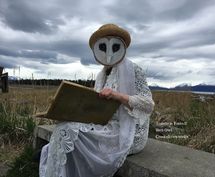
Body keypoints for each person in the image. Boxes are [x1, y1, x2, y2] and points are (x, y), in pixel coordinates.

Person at [39, 24, 154, 177]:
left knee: (66, 130)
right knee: (64, 125)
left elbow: (148, 105)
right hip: (106, 125)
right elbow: (96, 107)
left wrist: (117, 95)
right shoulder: (101, 76)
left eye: (114, 47)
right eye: (103, 47)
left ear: (122, 47)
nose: (108, 54)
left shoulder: (134, 70)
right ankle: (57, 168)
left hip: (127, 132)